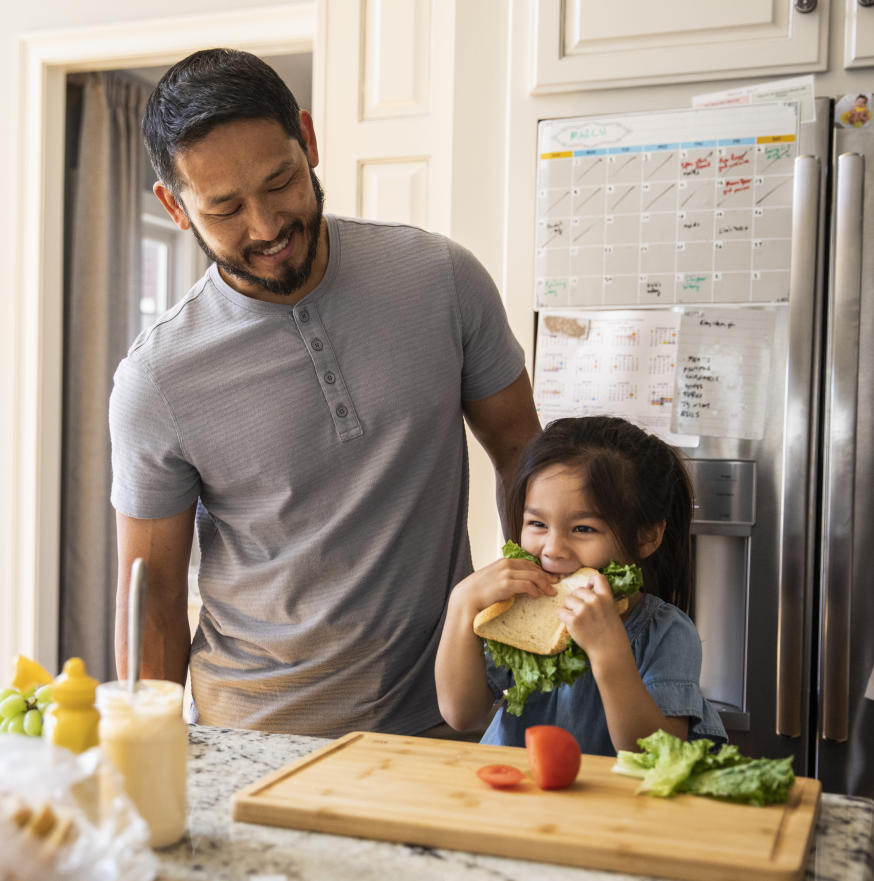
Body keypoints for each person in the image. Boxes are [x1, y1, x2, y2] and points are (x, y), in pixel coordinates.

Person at [109, 48, 541, 738]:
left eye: (280, 181)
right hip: (253, 736)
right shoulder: (156, 378)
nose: (266, 226)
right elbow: (153, 596)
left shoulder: (441, 278)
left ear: (307, 140)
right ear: (176, 207)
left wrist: (530, 629)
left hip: (446, 721)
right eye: (224, 208)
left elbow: (523, 450)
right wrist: (148, 755)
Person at [434, 416, 727, 755]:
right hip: (517, 794)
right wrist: (462, 604)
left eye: (583, 529)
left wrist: (607, 650)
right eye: (537, 523)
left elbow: (656, 754)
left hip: (612, 804)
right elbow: (462, 715)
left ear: (646, 537)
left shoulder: (665, 632)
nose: (553, 549)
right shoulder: (516, 609)